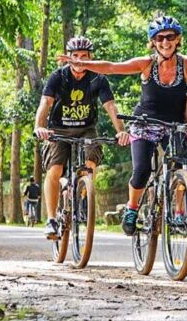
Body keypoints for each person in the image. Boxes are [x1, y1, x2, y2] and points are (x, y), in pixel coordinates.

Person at [57, 13, 187, 236]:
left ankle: (178, 213)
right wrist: (82, 63)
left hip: (174, 125)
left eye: (170, 37)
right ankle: (132, 208)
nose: (165, 42)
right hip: (144, 124)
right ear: (153, 42)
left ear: (178, 40)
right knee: (142, 170)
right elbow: (112, 67)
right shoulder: (146, 64)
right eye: (159, 38)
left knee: (182, 168)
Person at [34, 36, 130, 239]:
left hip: (87, 129)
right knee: (55, 169)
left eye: (84, 56)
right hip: (58, 130)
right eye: (75, 56)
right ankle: (51, 220)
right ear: (68, 58)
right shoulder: (58, 77)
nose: (79, 60)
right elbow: (45, 102)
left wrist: (121, 130)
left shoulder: (98, 78)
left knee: (89, 164)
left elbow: (110, 106)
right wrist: (39, 127)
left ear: (90, 58)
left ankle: (78, 191)